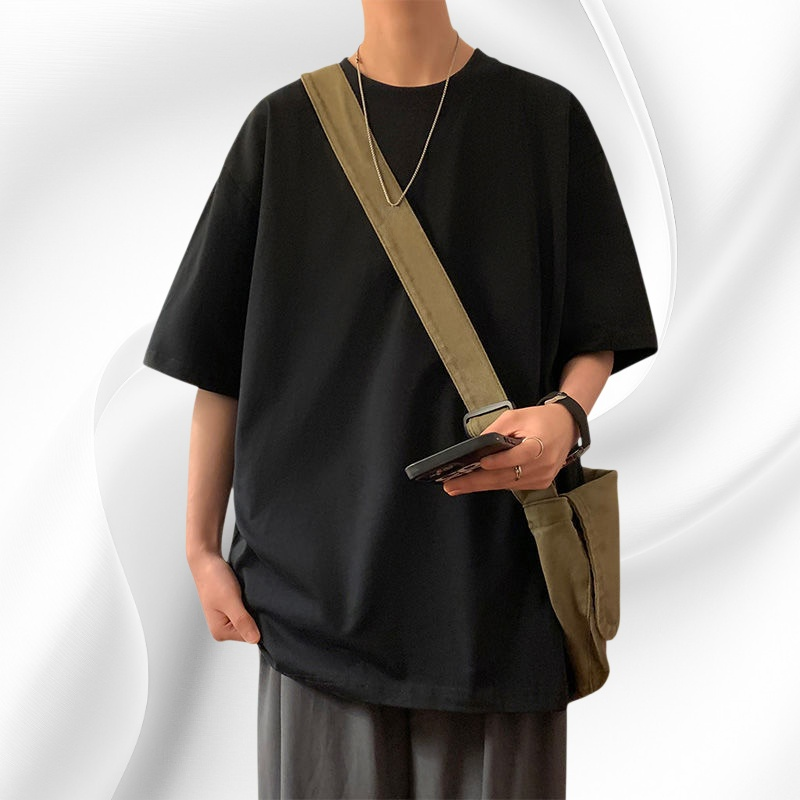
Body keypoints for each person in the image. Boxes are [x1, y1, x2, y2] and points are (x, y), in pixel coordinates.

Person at [142, 1, 659, 797]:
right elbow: (219, 365)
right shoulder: (282, 130)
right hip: (317, 602)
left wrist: (566, 417)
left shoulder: (544, 119)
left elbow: (599, 328)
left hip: (495, 589)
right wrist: (199, 550)